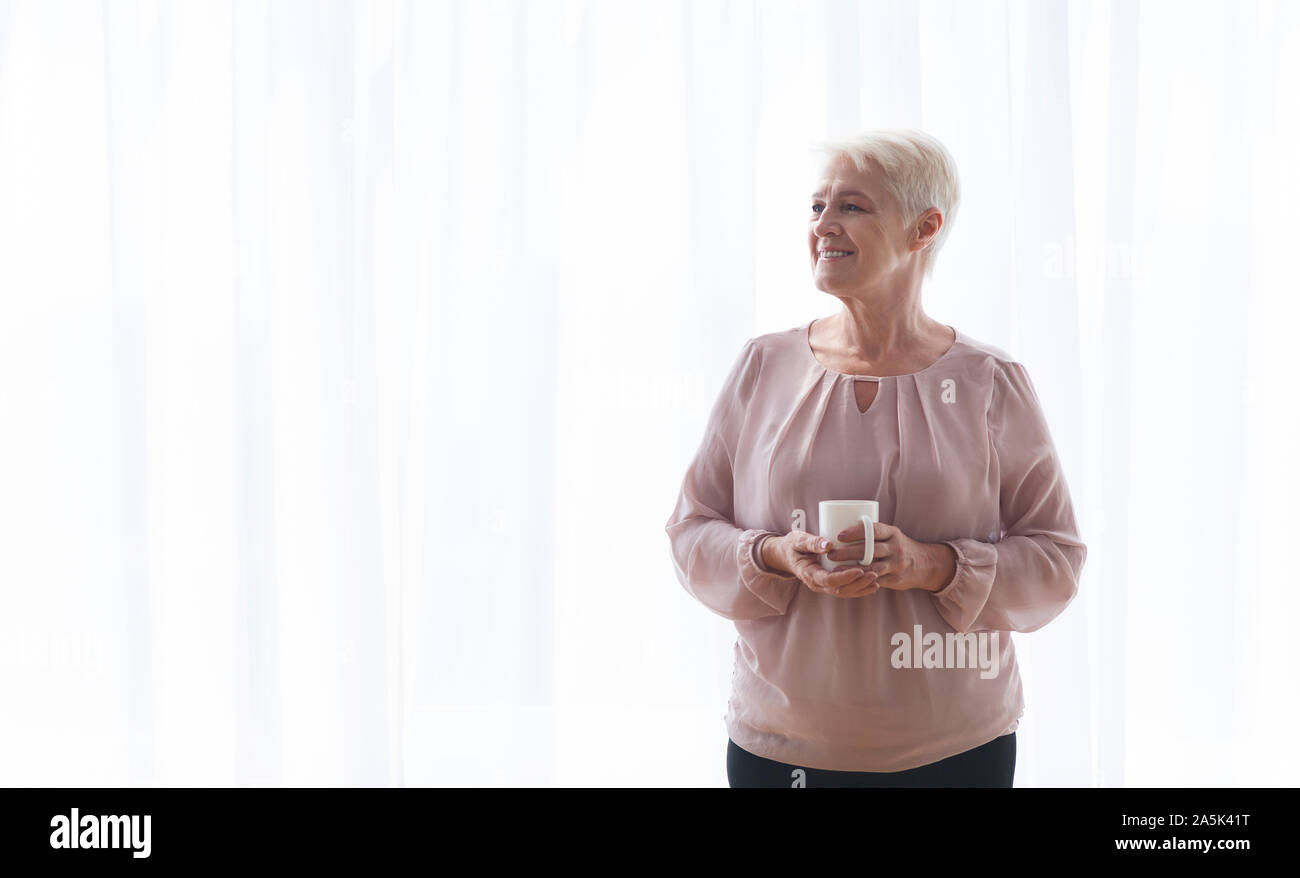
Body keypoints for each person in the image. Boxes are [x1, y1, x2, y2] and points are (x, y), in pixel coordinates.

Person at [663, 129, 1087, 788]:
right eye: (816, 207)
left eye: (852, 207)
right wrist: (773, 554)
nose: (823, 225)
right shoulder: (763, 366)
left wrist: (932, 565)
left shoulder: (990, 382)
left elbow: (1056, 560)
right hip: (779, 753)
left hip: (955, 755)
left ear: (924, 229)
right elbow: (691, 532)